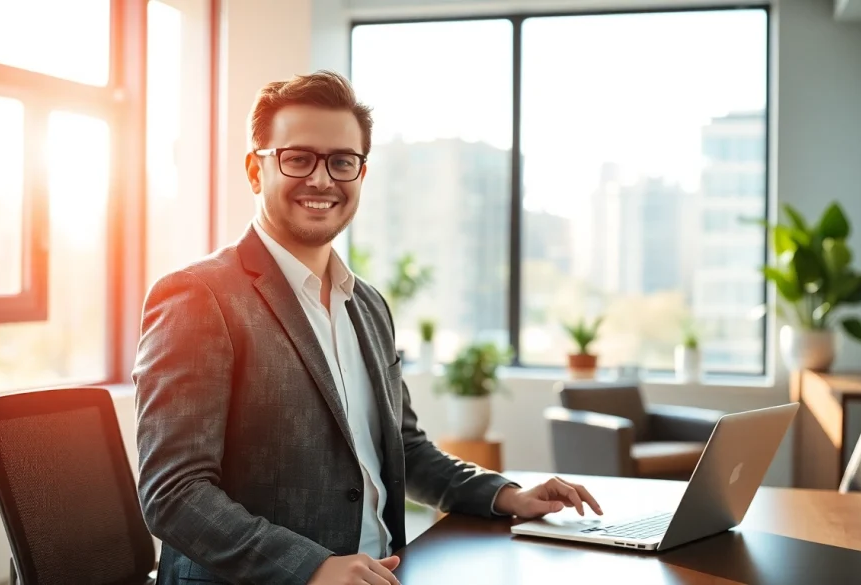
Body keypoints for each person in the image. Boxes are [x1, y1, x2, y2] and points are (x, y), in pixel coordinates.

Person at [132, 70, 602, 585]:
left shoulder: (368, 305)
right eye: (298, 158)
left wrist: (505, 494)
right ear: (254, 169)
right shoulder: (198, 296)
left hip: (389, 573)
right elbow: (174, 494)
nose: (321, 180)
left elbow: (405, 448)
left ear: (360, 174)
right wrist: (312, 568)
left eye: (341, 162)